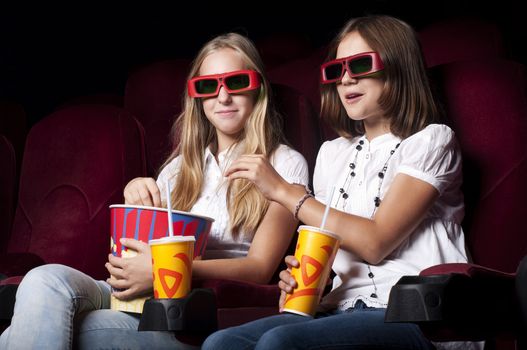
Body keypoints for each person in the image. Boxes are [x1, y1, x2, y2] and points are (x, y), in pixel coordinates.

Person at [0, 33, 309, 350]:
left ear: (257, 87)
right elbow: (143, 246)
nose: (223, 96)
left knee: (32, 333)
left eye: (236, 82)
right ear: (196, 97)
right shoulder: (179, 167)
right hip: (144, 295)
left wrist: (167, 267)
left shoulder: (285, 164)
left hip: (195, 312)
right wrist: (136, 192)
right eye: (207, 86)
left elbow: (259, 268)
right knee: (42, 282)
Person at [203, 16, 481, 350]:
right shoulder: (332, 154)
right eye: (337, 70)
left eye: (361, 64)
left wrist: (285, 193)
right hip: (340, 309)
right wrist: (300, 281)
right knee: (222, 343)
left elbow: (375, 242)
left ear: (398, 67)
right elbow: (324, 252)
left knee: (280, 342)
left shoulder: (431, 141)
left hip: (417, 314)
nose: (346, 79)